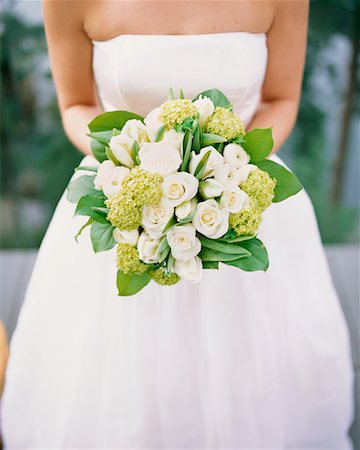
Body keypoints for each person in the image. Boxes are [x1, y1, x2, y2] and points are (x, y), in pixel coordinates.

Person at [1, 1, 354, 448]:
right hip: (124, 199)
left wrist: (228, 175)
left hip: (242, 193)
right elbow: (76, 104)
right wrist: (131, 166)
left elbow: (280, 99)